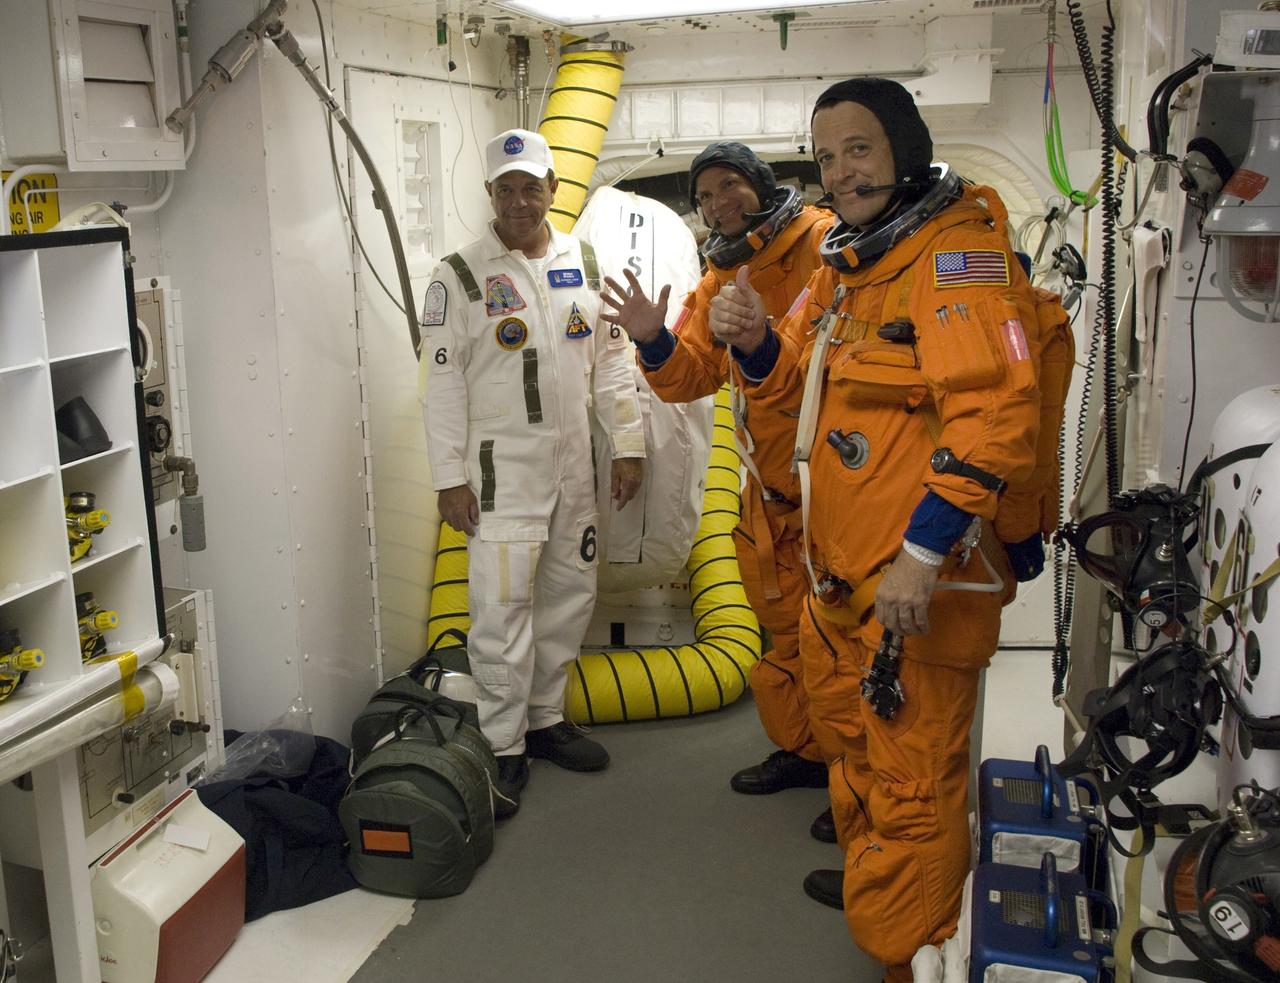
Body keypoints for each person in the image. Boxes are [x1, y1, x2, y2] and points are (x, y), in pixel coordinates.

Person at [707, 79, 1044, 982]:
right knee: (856, 760)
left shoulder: (956, 257)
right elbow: (790, 387)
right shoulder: (847, 267)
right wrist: (749, 340)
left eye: (857, 148)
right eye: (823, 157)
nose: (840, 171)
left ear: (902, 144)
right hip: (839, 584)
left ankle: (912, 955)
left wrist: (921, 558)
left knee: (913, 791)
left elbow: (993, 417)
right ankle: (880, 891)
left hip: (911, 594)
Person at [599, 143, 837, 836]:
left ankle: (854, 780)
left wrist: (762, 342)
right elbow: (691, 377)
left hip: (838, 491)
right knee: (785, 635)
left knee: (843, 648)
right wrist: (652, 341)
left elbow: (809, 362)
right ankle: (805, 752)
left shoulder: (825, 244)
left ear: (762, 184)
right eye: (704, 197)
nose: (718, 203)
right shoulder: (723, 271)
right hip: (771, 493)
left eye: (729, 185)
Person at [418, 128, 646, 819]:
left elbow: (609, 359)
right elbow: (442, 385)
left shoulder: (583, 260)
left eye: (532, 186)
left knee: (569, 597)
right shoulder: (457, 275)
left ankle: (546, 719)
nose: (520, 201)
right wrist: (448, 477)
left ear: (552, 188)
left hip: (573, 469)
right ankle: (503, 742)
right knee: (502, 612)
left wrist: (627, 441)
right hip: (499, 477)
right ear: (489, 194)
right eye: (506, 188)